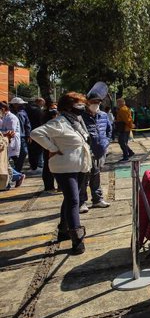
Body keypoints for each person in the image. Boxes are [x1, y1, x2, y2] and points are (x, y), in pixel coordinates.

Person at [30, 92, 93, 255]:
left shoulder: (77, 122)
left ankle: (63, 230)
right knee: (73, 200)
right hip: (64, 167)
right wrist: (52, 148)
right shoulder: (59, 122)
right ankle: (77, 239)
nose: (82, 107)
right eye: (79, 104)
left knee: (71, 198)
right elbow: (36, 133)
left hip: (80, 165)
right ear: (69, 105)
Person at [79, 93, 112, 212]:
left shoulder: (103, 115)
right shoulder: (81, 116)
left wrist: (106, 142)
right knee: (83, 178)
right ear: (87, 103)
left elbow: (109, 130)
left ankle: (97, 199)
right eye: (93, 102)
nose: (96, 105)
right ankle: (81, 202)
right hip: (86, 152)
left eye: (98, 102)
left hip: (99, 152)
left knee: (96, 175)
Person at [0, 101, 23, 187]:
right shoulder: (3, 117)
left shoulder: (11, 117)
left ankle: (12, 180)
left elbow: (11, 131)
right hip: (4, 141)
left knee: (6, 163)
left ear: (3, 109)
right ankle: (17, 177)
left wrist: (2, 133)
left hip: (10, 142)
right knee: (5, 163)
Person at [9, 97, 31, 172]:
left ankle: (17, 170)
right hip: (10, 136)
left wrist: (28, 135)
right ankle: (14, 171)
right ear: (15, 104)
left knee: (24, 152)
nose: (22, 105)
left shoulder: (23, 112)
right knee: (11, 154)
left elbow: (27, 124)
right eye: (20, 104)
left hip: (22, 136)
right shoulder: (9, 113)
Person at [41, 105, 59, 191]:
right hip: (54, 147)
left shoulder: (45, 123)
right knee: (57, 167)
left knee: (47, 166)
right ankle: (60, 186)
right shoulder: (53, 124)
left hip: (47, 147)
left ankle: (48, 186)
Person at [27, 97, 45, 170]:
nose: (43, 104)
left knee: (31, 150)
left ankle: (33, 166)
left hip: (29, 132)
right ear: (39, 102)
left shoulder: (28, 109)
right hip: (38, 131)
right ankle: (39, 165)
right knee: (39, 149)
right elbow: (41, 122)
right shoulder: (38, 110)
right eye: (42, 102)